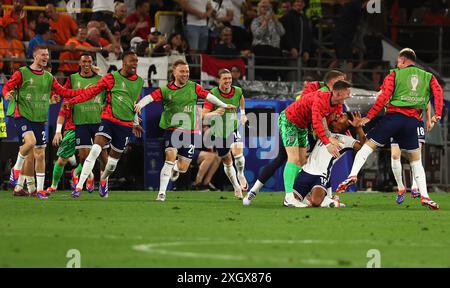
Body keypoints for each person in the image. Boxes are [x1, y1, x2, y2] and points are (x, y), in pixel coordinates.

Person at [336, 48, 444, 210]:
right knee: (416, 161)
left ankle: (352, 175)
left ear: (402, 61)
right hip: (412, 122)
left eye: (398, 62)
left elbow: (383, 98)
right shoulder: (428, 76)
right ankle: (425, 196)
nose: (397, 65)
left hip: (393, 119)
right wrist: (438, 114)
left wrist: (370, 116)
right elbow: (438, 93)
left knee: (367, 147)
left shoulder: (394, 75)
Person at [135, 59, 237, 202]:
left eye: (187, 71)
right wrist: (140, 104)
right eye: (182, 71)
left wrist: (224, 105)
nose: (185, 74)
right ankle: (161, 193)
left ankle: (176, 168)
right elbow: (150, 97)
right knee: (170, 157)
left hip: (191, 133)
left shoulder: (193, 87)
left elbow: (209, 96)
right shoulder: (166, 90)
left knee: (183, 168)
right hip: (173, 130)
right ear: (174, 72)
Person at [244, 70, 346, 205]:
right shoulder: (317, 89)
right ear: (333, 82)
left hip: (307, 127)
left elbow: (334, 118)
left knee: (308, 163)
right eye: (342, 80)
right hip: (296, 122)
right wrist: (327, 139)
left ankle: (310, 196)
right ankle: (283, 196)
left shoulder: (337, 99)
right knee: (290, 159)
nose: (344, 84)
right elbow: (311, 110)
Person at [3, 45, 84, 199]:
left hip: (40, 119)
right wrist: (7, 93)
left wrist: (83, 91)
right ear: (34, 56)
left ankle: (38, 189)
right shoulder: (22, 73)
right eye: (43, 54)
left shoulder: (48, 77)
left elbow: (64, 92)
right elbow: (7, 86)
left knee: (39, 155)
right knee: (30, 142)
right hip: (23, 115)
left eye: (47, 55)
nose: (46, 57)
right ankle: (16, 170)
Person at [67, 51, 144, 198]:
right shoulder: (110, 78)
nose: (134, 64)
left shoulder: (139, 81)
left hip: (125, 125)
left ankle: (103, 182)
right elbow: (91, 92)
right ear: (123, 62)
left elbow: (134, 104)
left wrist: (135, 122)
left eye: (136, 61)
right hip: (108, 120)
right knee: (95, 150)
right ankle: (78, 187)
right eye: (131, 61)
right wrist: (72, 101)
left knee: (111, 164)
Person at [46, 53, 108, 194]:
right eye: (84, 61)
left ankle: (88, 178)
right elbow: (64, 104)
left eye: (89, 61)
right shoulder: (73, 79)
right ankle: (54, 186)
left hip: (97, 124)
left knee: (96, 157)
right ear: (79, 63)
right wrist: (58, 130)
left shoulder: (101, 80)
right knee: (63, 159)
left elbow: (107, 99)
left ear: (92, 63)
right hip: (75, 126)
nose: (86, 64)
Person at [293, 112, 366, 208]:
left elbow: (364, 147)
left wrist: (358, 128)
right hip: (305, 172)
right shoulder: (324, 130)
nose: (338, 115)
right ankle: (329, 200)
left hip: (321, 176)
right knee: (292, 201)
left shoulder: (346, 140)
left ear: (348, 123)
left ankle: (328, 200)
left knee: (316, 202)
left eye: (342, 116)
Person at [202, 69, 248, 198]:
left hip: (232, 128)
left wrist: (243, 114)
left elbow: (241, 99)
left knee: (238, 154)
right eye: (225, 79)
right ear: (219, 80)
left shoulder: (237, 90)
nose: (228, 81)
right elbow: (203, 115)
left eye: (229, 78)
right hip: (218, 132)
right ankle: (236, 186)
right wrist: (215, 113)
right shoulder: (213, 94)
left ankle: (241, 174)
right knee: (227, 162)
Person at [391, 101, 431, 204]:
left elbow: (427, 103)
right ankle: (401, 188)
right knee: (395, 155)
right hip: (397, 123)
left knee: (417, 154)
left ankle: (414, 187)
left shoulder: (421, 87)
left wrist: (429, 119)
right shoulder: (391, 90)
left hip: (416, 122)